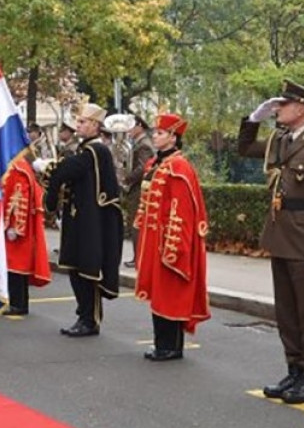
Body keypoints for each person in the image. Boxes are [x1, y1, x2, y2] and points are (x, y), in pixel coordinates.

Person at [238, 80, 304, 404]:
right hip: (281, 234)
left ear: (301, 109)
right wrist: (252, 121)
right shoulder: (280, 140)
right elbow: (244, 149)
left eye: (282, 105)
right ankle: (294, 368)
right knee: (286, 310)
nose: (277, 109)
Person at [39, 103, 123, 337]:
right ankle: (83, 315)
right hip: (80, 219)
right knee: (76, 268)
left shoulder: (96, 151)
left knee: (88, 269)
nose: (78, 126)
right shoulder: (85, 150)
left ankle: (90, 319)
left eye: (83, 122)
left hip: (93, 222)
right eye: (78, 122)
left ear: (95, 125)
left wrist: (48, 168)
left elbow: (68, 170)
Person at [133, 113, 210, 360]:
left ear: (174, 138)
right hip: (154, 239)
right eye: (155, 132)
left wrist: (174, 246)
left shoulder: (179, 167)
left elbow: (182, 210)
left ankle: (170, 346)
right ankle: (163, 343)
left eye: (160, 133)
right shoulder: (156, 164)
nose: (155, 135)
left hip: (169, 241)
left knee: (170, 294)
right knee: (159, 293)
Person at [2, 153, 52, 315]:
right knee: (16, 267)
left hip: (17, 228)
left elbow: (19, 197)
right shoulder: (17, 165)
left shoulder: (17, 168)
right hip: (15, 225)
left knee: (16, 266)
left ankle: (18, 304)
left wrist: (15, 226)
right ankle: (19, 303)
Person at [123, 114, 156, 268]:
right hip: (136, 188)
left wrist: (126, 179)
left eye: (131, 126)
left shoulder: (144, 144)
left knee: (136, 223)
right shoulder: (138, 143)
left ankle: (139, 258)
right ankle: (138, 257)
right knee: (134, 222)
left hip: (138, 189)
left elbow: (142, 168)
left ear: (139, 126)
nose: (128, 129)